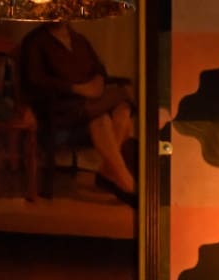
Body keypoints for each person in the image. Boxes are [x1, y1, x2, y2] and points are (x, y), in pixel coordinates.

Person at [18, 21, 136, 201]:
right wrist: (76, 89)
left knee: (122, 111)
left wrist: (98, 80)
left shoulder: (79, 40)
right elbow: (35, 82)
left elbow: (99, 69)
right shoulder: (35, 41)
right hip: (58, 111)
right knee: (104, 115)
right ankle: (127, 183)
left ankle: (107, 173)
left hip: (88, 107)